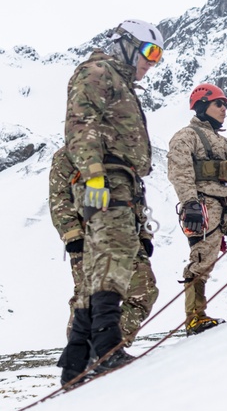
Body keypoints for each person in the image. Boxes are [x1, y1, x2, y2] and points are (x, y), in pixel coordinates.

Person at [56, 19, 164, 384]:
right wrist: (95, 176)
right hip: (108, 178)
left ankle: (76, 359)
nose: (152, 63)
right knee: (112, 261)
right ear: (125, 45)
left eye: (157, 57)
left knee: (106, 263)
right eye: (148, 53)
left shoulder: (121, 82)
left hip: (124, 183)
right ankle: (107, 348)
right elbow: (80, 125)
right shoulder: (98, 72)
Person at [48, 147, 158, 346]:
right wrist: (72, 235)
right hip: (91, 237)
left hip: (128, 235)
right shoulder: (69, 154)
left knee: (144, 290)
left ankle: (108, 348)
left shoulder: (122, 151)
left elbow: (136, 195)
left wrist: (144, 234)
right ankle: (82, 358)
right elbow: (59, 197)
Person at [168, 83, 227, 334]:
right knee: (203, 258)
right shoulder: (187, 136)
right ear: (203, 105)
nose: (224, 109)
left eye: (226, 104)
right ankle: (195, 317)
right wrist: (190, 204)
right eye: (219, 104)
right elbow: (179, 172)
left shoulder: (225, 143)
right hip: (204, 206)